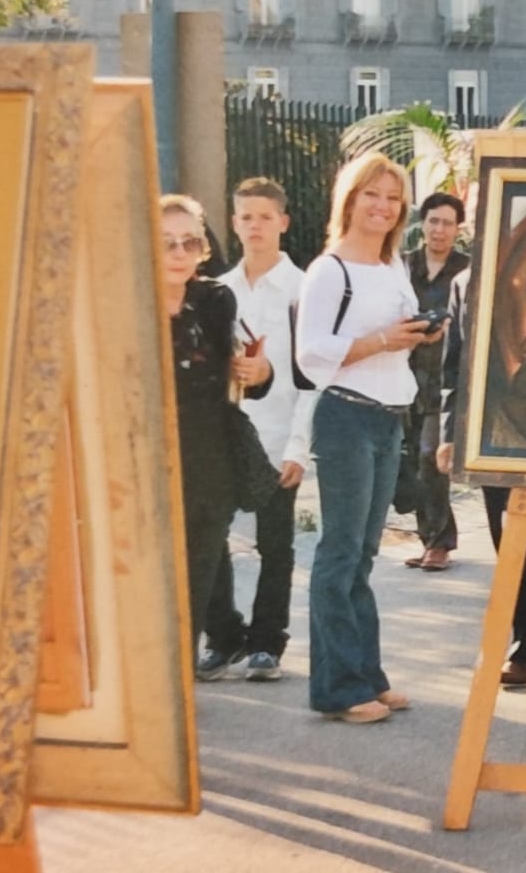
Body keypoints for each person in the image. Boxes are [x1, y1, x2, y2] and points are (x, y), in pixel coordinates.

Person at [292, 154, 431, 724]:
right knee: (341, 551)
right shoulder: (329, 269)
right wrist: (378, 341)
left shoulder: (393, 263)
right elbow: (309, 353)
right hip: (346, 415)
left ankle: (365, 676)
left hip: (387, 415)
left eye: (393, 198)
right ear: (348, 200)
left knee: (364, 555)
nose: (382, 206)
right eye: (371, 194)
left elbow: (394, 334)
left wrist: (419, 332)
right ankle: (338, 688)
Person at [160, 194, 276, 683]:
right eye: (167, 243)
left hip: (209, 457)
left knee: (194, 569)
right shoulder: (125, 304)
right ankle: (224, 633)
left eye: (190, 241)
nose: (180, 252)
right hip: (150, 457)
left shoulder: (214, 300)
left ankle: (175, 686)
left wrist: (259, 371)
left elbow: (240, 379)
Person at [207, 178, 312, 681]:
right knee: (211, 538)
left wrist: (298, 445)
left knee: (276, 545)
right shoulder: (218, 292)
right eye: (246, 217)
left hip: (275, 436)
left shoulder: (302, 290)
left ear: (283, 223)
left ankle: (268, 641)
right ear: (233, 223)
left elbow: (311, 379)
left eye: (265, 217)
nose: (255, 226)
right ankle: (224, 636)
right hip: (226, 436)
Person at [404, 191, 469, 573]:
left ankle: (440, 543)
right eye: (433, 221)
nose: (439, 230)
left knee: (431, 454)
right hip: (404, 374)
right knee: (413, 459)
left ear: (457, 229)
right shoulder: (403, 266)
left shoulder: (465, 270)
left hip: (444, 379)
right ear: (422, 223)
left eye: (447, 223)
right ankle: (428, 535)